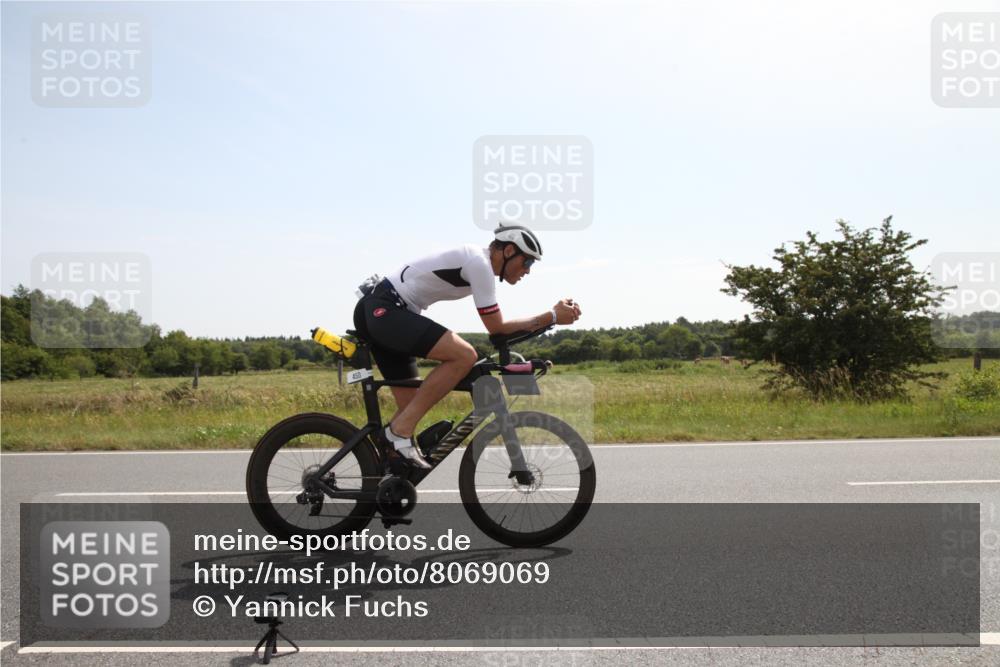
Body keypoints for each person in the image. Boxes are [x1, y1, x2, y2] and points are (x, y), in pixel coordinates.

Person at [352, 223, 582, 468]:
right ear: (508, 251)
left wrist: (549, 321)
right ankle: (396, 436)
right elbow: (497, 327)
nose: (527, 271)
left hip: (388, 312)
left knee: (411, 407)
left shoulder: (478, 264)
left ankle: (384, 472)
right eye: (527, 262)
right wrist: (552, 316)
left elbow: (499, 330)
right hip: (385, 310)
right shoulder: (479, 263)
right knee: (463, 355)